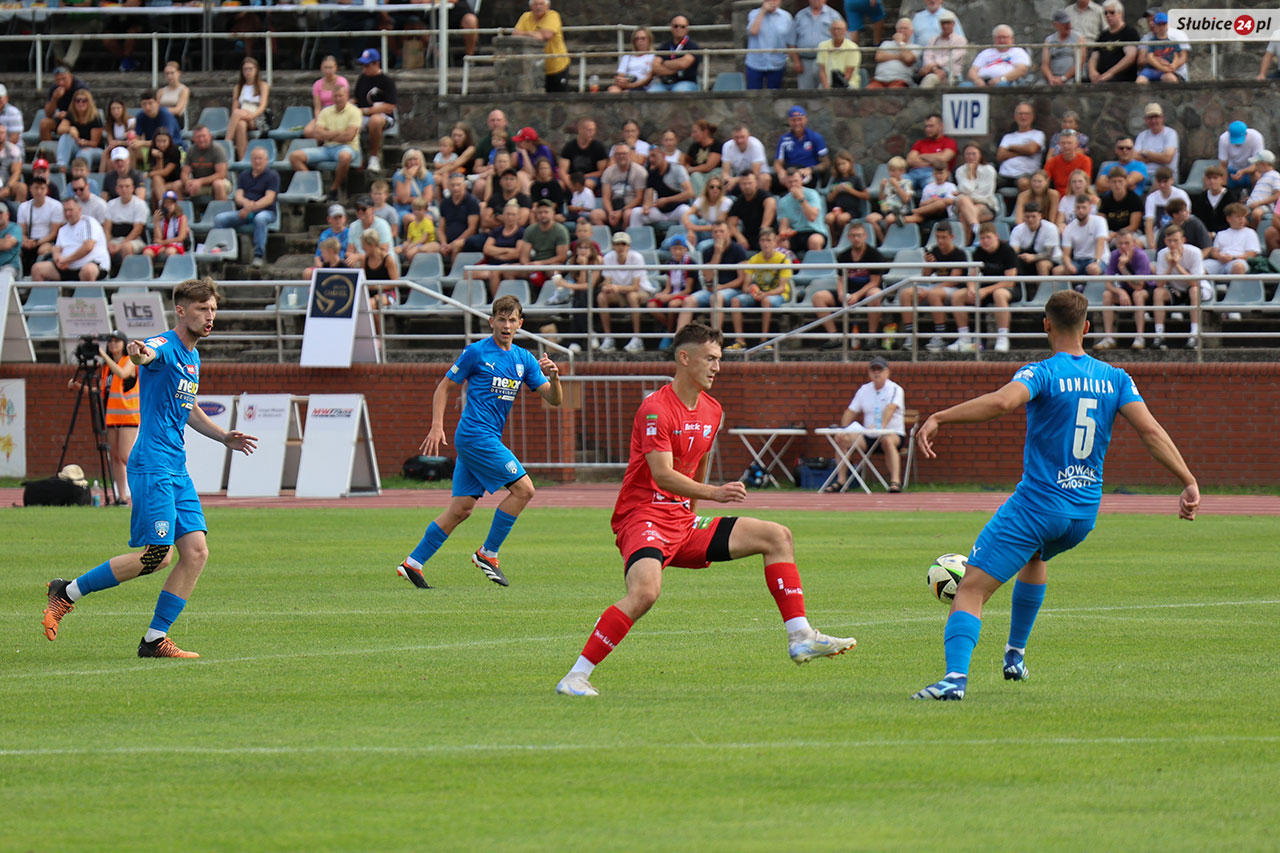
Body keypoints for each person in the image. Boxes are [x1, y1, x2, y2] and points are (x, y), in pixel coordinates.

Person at [911, 288, 1199, 701]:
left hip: (1038, 506)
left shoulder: (1040, 373)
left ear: (1046, 325)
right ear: (1087, 327)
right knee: (1036, 555)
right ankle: (1015, 655)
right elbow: (1151, 432)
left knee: (972, 587)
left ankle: (953, 680)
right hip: (1082, 515)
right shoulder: (1117, 378)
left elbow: (1000, 403)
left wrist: (939, 416)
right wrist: (1188, 479)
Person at [554, 321, 856, 697]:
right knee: (646, 592)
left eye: (720, 359)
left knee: (777, 536)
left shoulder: (713, 410)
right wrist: (715, 493)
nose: (717, 367)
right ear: (684, 358)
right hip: (643, 517)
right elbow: (663, 475)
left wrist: (693, 510)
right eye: (710, 358)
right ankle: (576, 676)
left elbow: (695, 468)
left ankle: (800, 636)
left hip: (683, 520)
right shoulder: (655, 408)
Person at [42, 278, 259, 659]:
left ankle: (154, 639)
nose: (209, 317)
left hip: (176, 465)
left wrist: (224, 436)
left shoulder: (193, 357)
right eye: (201, 310)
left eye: (212, 310)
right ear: (180, 311)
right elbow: (145, 354)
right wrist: (136, 351)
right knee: (155, 555)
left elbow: (189, 409)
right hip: (153, 464)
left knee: (195, 552)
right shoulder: (165, 345)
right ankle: (66, 591)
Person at [396, 295, 561, 588]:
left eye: (512, 320)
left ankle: (413, 563)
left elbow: (554, 399)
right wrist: (437, 426)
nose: (506, 325)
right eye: (501, 319)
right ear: (491, 322)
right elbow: (444, 387)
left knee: (461, 509)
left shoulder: (523, 358)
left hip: (484, 439)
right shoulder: (476, 352)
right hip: (475, 436)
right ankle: (488, 553)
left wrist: (555, 378)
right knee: (524, 490)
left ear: (520, 324)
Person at [67, 330, 137, 505]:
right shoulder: (106, 368)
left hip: (129, 416)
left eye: (117, 341)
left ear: (124, 343)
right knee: (114, 457)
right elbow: (100, 391)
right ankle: (121, 496)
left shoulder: (129, 361)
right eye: (110, 342)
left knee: (125, 456)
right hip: (111, 417)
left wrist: (103, 355)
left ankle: (141, 492)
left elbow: (122, 374)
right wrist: (78, 387)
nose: (113, 344)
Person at [829, 355, 905, 492]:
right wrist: (843, 429)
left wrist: (880, 427)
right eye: (874, 369)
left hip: (892, 434)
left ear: (887, 372)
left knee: (887, 440)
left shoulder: (895, 389)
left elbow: (891, 408)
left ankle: (895, 481)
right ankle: (841, 481)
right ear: (869, 372)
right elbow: (850, 412)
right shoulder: (864, 389)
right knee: (842, 440)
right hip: (868, 436)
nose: (877, 372)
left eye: (880, 369)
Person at [949, 222, 1019, 353]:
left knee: (999, 294)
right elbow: (972, 275)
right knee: (957, 296)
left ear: (996, 236)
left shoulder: (1007, 250)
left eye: (988, 237)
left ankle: (1003, 337)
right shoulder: (978, 252)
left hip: (1009, 289)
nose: (985, 241)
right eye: (982, 238)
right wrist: (971, 288)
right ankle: (964, 337)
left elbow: (1010, 281)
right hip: (985, 290)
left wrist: (985, 290)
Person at [814, 221, 884, 350]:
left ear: (865, 236)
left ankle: (871, 337)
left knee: (874, 294)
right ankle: (835, 337)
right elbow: (840, 279)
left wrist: (857, 295)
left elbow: (875, 281)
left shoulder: (874, 254)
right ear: (848, 237)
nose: (856, 239)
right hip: (849, 291)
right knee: (819, 297)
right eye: (853, 236)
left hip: (866, 292)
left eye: (859, 235)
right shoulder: (843, 256)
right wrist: (841, 293)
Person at [901, 220, 968, 351]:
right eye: (938, 237)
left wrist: (930, 290)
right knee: (906, 293)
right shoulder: (935, 251)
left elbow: (954, 280)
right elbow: (926, 276)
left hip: (955, 291)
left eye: (944, 237)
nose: (940, 241)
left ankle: (940, 336)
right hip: (937, 288)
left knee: (933, 293)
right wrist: (928, 264)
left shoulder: (959, 254)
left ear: (951, 237)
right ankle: (910, 336)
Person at [290, 85, 362, 203]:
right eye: (335, 96)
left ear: (347, 96)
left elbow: (349, 136)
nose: (338, 99)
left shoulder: (355, 111)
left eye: (341, 96)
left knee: (345, 156)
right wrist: (338, 133)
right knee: (295, 156)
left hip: (348, 147)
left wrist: (327, 134)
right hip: (327, 147)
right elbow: (317, 134)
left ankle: (334, 189)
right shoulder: (326, 111)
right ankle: (313, 185)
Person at [213, 146, 278, 269]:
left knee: (260, 218)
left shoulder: (272, 176)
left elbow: (269, 198)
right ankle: (224, 250)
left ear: (266, 160)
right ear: (251, 160)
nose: (257, 161)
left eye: (260, 158)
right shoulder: (244, 175)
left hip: (267, 211)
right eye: (255, 158)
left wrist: (249, 208)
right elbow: (238, 196)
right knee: (220, 219)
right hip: (245, 210)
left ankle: (258, 255)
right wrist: (246, 204)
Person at [726, 227, 791, 350]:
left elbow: (782, 288)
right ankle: (739, 340)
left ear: (775, 242)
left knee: (766, 301)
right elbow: (745, 286)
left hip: (778, 295)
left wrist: (766, 294)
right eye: (763, 240)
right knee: (735, 300)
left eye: (769, 240)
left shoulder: (783, 260)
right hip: (758, 293)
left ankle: (764, 340)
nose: (765, 243)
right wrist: (752, 288)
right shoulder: (754, 259)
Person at [1094, 230, 1154, 350]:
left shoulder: (1141, 256)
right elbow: (1108, 283)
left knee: (1138, 294)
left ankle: (1139, 337)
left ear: (1134, 243)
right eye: (1120, 243)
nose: (1123, 246)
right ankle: (1108, 337)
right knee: (1107, 295)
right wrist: (1120, 292)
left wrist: (1122, 268)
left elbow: (1139, 285)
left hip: (1146, 291)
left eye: (1126, 243)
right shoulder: (1115, 255)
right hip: (1126, 290)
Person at [686, 221, 747, 333]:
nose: (718, 234)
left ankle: (715, 337)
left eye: (721, 231)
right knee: (688, 301)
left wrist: (722, 287)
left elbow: (741, 280)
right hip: (712, 289)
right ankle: (680, 339)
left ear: (729, 233)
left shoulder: (738, 250)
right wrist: (717, 254)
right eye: (715, 232)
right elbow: (708, 278)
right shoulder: (708, 251)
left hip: (732, 290)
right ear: (712, 234)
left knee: (716, 298)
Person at [596, 231, 652, 353]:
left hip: (641, 291)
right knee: (602, 296)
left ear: (628, 246)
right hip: (621, 293)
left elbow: (636, 287)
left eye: (623, 244)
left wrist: (617, 288)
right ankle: (608, 337)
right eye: (617, 244)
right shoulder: (608, 258)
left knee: (632, 296)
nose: (620, 247)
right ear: (613, 246)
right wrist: (607, 287)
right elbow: (607, 281)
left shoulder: (637, 258)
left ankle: (637, 338)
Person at [32, 196, 109, 283]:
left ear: (79, 210)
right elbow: (57, 248)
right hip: (68, 268)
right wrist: (57, 259)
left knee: (88, 271)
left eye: (71, 210)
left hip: (94, 265)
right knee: (37, 269)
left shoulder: (88, 222)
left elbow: (88, 246)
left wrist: (66, 259)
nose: (68, 213)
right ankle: (44, 296)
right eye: (65, 210)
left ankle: (87, 296)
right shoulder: (63, 229)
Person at [1152, 224, 1205, 350]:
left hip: (1195, 290)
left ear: (1183, 240)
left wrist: (1177, 265)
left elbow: (1194, 282)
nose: (1172, 244)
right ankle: (1159, 335)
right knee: (1158, 292)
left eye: (1176, 240)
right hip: (1175, 291)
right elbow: (1159, 284)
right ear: (1165, 241)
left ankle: (1194, 335)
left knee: (1194, 290)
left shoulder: (1195, 252)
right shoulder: (1162, 254)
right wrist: (1170, 265)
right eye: (1169, 241)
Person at [646, 234, 698, 349]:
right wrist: (663, 294)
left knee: (673, 304)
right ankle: (672, 327)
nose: (677, 252)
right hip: (674, 293)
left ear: (685, 249)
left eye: (680, 249)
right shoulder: (671, 263)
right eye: (675, 249)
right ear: (671, 250)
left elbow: (688, 289)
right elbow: (668, 287)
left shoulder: (691, 263)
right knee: (651, 304)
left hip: (686, 295)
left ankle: (669, 333)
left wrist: (669, 297)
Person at [352, 48, 397, 173]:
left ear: (376, 64)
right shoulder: (362, 79)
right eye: (362, 65)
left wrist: (366, 111)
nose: (364, 68)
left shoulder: (387, 81)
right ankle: (355, 156)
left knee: (375, 120)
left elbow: (390, 106)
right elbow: (356, 98)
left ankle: (374, 157)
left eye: (367, 65)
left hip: (383, 116)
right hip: (363, 114)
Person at [512, 0, 570, 93]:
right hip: (535, 69)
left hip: (556, 67)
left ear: (547, 6)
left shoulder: (553, 15)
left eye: (541, 4)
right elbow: (515, 34)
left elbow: (546, 35)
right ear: (531, 7)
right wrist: (531, 33)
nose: (538, 7)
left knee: (558, 98)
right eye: (535, 4)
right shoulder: (525, 16)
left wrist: (525, 34)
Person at [631, 146, 694, 229]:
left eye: (654, 156)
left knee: (685, 211)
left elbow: (690, 193)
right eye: (650, 156)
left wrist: (667, 200)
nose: (651, 160)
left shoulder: (677, 169)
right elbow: (649, 195)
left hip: (677, 209)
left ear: (663, 155)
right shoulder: (652, 172)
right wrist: (646, 207)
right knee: (636, 213)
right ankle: (635, 241)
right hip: (660, 211)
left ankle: (687, 241)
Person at [1053, 193, 1109, 285]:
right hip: (1078, 261)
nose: (1080, 211)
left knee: (1093, 269)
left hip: (1098, 259)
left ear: (1089, 209)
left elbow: (1101, 243)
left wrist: (1096, 262)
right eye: (1078, 208)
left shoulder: (1099, 221)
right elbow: (1066, 254)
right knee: (1057, 271)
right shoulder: (1069, 228)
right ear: (1074, 209)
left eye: (1083, 208)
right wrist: (1068, 265)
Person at [516, 198, 569, 291]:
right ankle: (512, 300)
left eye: (546, 212)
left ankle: (556, 297)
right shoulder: (530, 230)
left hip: (551, 264)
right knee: (509, 271)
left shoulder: (561, 230)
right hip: (534, 264)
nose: (543, 215)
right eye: (540, 212)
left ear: (553, 213)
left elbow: (561, 257)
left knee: (554, 272)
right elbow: (524, 255)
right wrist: (527, 265)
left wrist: (540, 264)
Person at [790, 0, 844, 90]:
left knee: (825, 94)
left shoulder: (834, 15)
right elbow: (792, 41)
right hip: (804, 62)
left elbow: (842, 39)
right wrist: (796, 61)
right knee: (805, 94)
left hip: (826, 61)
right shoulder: (800, 16)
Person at [773, 106, 830, 188]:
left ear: (805, 119)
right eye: (793, 120)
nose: (797, 123)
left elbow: (826, 163)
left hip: (807, 174)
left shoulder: (815, 137)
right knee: (766, 179)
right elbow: (778, 162)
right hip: (790, 172)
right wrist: (781, 171)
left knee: (798, 181)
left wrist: (811, 169)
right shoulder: (784, 139)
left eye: (800, 119)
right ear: (789, 121)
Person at [775, 168, 828, 253]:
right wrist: (784, 233)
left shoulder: (812, 194)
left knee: (814, 241)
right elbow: (783, 226)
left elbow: (812, 217)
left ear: (801, 180)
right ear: (785, 183)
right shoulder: (783, 201)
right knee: (780, 244)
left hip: (814, 231)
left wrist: (801, 199)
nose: (793, 184)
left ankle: (817, 265)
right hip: (795, 233)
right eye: (790, 182)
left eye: (796, 181)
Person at [953, 143, 1000, 241]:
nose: (970, 157)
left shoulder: (989, 170)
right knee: (963, 200)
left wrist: (964, 194)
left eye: (974, 154)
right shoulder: (960, 171)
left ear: (980, 155)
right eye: (968, 154)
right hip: (967, 205)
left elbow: (984, 195)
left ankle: (966, 245)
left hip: (987, 205)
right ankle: (976, 228)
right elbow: (967, 189)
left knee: (963, 209)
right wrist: (970, 175)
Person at [996, 102, 1045, 193]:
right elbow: (1000, 155)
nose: (1023, 117)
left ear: (1032, 116)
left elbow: (1031, 149)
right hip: (1004, 175)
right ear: (1015, 116)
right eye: (1020, 114)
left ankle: (1025, 207)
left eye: (1026, 114)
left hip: (1026, 174)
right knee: (987, 180)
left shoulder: (1038, 134)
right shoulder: (1008, 137)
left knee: (1024, 183)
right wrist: (1024, 151)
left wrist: (1010, 147)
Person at [130, 90, 182, 174]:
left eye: (150, 103)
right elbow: (137, 136)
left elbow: (166, 142)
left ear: (157, 103)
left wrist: (141, 143)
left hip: (171, 148)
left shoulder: (166, 116)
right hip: (152, 147)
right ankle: (132, 176)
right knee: (132, 148)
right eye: (144, 104)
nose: (147, 107)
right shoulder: (140, 116)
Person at [745, 0, 793, 90]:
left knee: (775, 94)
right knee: (753, 94)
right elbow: (753, 31)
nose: (772, 2)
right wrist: (762, 12)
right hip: (755, 62)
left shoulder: (786, 16)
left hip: (777, 62)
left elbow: (790, 39)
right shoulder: (754, 14)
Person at [597, 143, 647, 230]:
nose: (621, 156)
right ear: (614, 157)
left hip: (630, 206)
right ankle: (607, 238)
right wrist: (610, 212)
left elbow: (639, 197)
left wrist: (622, 211)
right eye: (618, 154)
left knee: (628, 215)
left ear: (630, 155)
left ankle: (624, 239)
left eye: (624, 153)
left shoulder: (640, 172)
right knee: (595, 214)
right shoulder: (608, 172)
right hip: (613, 206)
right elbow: (606, 197)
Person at [18, 178, 63, 273]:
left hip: (47, 240)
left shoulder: (56, 206)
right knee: (17, 248)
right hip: (29, 239)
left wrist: (37, 243)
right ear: (31, 189)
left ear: (46, 189)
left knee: (43, 250)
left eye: (42, 188)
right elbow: (21, 231)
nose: (39, 191)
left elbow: (54, 233)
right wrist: (26, 241)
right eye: (36, 188)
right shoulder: (23, 207)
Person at [1089, 0, 1140, 84]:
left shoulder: (1130, 32)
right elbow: (1094, 56)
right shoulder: (1103, 35)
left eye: (1112, 12)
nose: (1108, 15)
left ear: (1120, 13)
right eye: (1105, 13)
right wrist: (1092, 72)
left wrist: (1110, 73)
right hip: (1102, 76)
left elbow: (1130, 57)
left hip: (1122, 77)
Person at [1202, 202, 1257, 279]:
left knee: (1238, 266)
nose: (1241, 219)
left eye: (1243, 216)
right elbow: (1214, 252)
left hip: (1238, 260)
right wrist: (1220, 257)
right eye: (1238, 217)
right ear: (1228, 219)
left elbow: (1252, 254)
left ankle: (1236, 290)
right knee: (1200, 267)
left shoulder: (1250, 233)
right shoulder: (1221, 233)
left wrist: (1233, 258)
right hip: (1220, 261)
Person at [54, 89, 103, 173]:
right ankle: (61, 167)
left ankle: (83, 178)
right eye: (78, 100)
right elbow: (60, 129)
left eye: (84, 100)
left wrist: (85, 143)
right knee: (65, 136)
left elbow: (95, 143)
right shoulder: (71, 114)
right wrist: (70, 129)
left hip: (94, 149)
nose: (81, 103)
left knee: (83, 153)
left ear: (89, 102)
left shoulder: (95, 118)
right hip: (78, 145)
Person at [649, 14, 701, 92]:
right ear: (671, 28)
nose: (679, 29)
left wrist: (663, 63)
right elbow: (655, 67)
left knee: (678, 90)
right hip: (665, 83)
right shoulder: (664, 46)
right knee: (652, 92)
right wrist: (677, 69)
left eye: (682, 26)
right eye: (676, 26)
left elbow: (683, 64)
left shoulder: (693, 46)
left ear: (687, 29)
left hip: (687, 82)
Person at [1009, 202, 1061, 280]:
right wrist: (1020, 256)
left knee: (1042, 264)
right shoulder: (1017, 230)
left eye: (1033, 216)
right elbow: (1013, 250)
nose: (1030, 220)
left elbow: (1048, 254)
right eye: (1027, 216)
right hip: (1027, 259)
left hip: (1052, 261)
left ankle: (1043, 291)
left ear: (1040, 216)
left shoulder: (1051, 228)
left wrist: (1033, 257)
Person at [905, 113, 957, 191]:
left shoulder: (949, 142)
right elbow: (909, 161)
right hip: (913, 173)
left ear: (941, 126)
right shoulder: (920, 143)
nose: (928, 129)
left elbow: (943, 159)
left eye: (931, 126)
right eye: (926, 126)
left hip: (934, 173)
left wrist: (922, 155)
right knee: (899, 183)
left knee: (933, 188)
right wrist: (934, 161)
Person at [682, 175, 733, 255]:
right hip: (705, 231)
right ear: (707, 189)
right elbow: (686, 214)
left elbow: (718, 226)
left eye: (718, 187)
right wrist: (690, 230)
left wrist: (694, 228)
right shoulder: (702, 200)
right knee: (691, 217)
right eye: (712, 187)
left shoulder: (726, 202)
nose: (715, 189)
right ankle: (688, 246)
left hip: (718, 234)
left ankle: (692, 256)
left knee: (701, 246)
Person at [726, 171, 776, 252]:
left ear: (756, 183)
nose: (747, 186)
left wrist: (762, 232)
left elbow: (771, 204)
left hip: (766, 234)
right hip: (748, 235)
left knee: (765, 240)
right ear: (740, 185)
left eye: (750, 183)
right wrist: (740, 237)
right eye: (744, 184)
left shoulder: (764, 196)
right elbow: (731, 224)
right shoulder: (739, 200)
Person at [967, 24, 1032, 86]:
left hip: (1007, 81)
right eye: (999, 37)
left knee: (1000, 85)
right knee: (964, 85)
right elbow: (972, 71)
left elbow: (1021, 70)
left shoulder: (1018, 52)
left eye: (1005, 37)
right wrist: (977, 80)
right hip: (982, 81)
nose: (1002, 40)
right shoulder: (985, 53)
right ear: (994, 39)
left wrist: (1001, 79)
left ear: (1012, 39)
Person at [865, 157, 912, 242]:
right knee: (870, 218)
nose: (891, 173)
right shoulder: (887, 183)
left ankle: (888, 241)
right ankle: (883, 240)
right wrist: (882, 188)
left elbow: (906, 199)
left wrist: (896, 186)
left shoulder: (907, 183)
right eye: (889, 171)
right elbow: (881, 201)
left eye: (893, 171)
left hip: (900, 211)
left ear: (901, 171)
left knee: (889, 219)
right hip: (886, 210)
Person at [104, 174, 149, 263]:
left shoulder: (140, 205)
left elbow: (137, 230)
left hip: (135, 240)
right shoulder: (110, 204)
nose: (124, 189)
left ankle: (127, 275)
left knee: (126, 247)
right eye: (121, 186)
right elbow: (107, 228)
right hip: (115, 239)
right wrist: (108, 244)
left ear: (132, 188)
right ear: (116, 189)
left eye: (127, 186)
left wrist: (120, 246)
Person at [181, 125, 231, 204]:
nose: (201, 139)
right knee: (177, 185)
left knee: (218, 184)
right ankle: (181, 214)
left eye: (204, 136)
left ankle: (221, 213)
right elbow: (184, 172)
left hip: (219, 182)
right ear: (193, 139)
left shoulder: (217, 149)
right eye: (198, 137)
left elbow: (221, 174)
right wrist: (187, 182)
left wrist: (200, 181)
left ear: (210, 136)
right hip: (199, 184)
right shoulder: (191, 150)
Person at [917, 9, 967, 88]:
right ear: (940, 24)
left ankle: (920, 99)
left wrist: (933, 65)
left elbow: (952, 58)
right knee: (930, 78)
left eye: (948, 23)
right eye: (943, 23)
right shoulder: (933, 40)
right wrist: (934, 69)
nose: (945, 26)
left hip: (952, 75)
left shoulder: (960, 40)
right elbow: (927, 57)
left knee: (930, 79)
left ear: (953, 24)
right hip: (933, 72)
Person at [1142, 166, 1191, 246]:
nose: (1162, 185)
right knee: (1137, 243)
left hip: (1178, 233)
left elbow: (1186, 217)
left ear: (1172, 180)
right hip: (1158, 233)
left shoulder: (1181, 195)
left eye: (1165, 181)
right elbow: (1149, 223)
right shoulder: (1151, 198)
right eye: (1159, 182)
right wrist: (1152, 244)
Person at [1137, 11, 1189, 84]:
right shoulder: (1150, 40)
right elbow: (1148, 58)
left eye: (1163, 24)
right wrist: (1162, 67)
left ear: (1167, 25)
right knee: (1140, 81)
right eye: (1159, 25)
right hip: (1152, 70)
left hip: (1168, 71)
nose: (1161, 27)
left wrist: (1173, 65)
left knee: (1171, 79)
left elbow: (1178, 56)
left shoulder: (1174, 39)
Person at [438, 174, 481, 261]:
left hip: (465, 240)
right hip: (447, 241)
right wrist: (443, 244)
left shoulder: (471, 202)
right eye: (452, 185)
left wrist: (452, 244)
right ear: (449, 186)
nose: (455, 188)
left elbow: (472, 229)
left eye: (458, 185)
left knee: (456, 246)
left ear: (464, 185)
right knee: (426, 249)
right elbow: (440, 228)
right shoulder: (445, 202)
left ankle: (454, 273)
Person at [558, 118, 609, 191]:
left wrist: (583, 177)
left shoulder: (598, 147)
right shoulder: (569, 146)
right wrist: (570, 184)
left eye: (594, 130)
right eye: (589, 130)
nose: (592, 132)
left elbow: (602, 171)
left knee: (587, 184)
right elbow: (562, 170)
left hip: (590, 177)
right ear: (580, 130)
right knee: (559, 184)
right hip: (572, 178)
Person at [824, 151, 868, 234]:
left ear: (850, 163)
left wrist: (850, 191)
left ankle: (842, 237)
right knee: (828, 218)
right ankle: (833, 240)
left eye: (843, 164)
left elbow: (866, 196)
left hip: (852, 211)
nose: (841, 167)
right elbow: (829, 199)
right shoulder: (835, 180)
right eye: (839, 165)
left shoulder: (856, 179)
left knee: (841, 219)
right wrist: (836, 191)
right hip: (837, 209)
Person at [1134, 102, 1179, 182]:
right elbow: (1134, 158)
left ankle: (1150, 195)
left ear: (1162, 118)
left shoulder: (1170, 133)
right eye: (1150, 118)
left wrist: (1146, 153)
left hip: (1165, 175)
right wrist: (1159, 157)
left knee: (1158, 180)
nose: (1153, 121)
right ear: (1146, 120)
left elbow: (1167, 158)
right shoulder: (1142, 135)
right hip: (1143, 174)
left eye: (1156, 117)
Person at [39, 67, 87, 143]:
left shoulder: (79, 87)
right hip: (63, 119)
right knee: (45, 124)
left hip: (79, 118)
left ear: (70, 77)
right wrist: (54, 99)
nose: (61, 83)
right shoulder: (55, 89)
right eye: (58, 80)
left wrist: (68, 115)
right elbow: (48, 114)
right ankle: (49, 152)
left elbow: (86, 108)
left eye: (64, 79)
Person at [1099, 166, 1144, 246]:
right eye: (1114, 182)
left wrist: (1115, 234)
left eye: (1120, 181)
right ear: (1109, 182)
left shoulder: (1135, 199)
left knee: (1132, 243)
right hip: (1110, 232)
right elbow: (1100, 221)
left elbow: (1133, 226)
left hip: (1131, 233)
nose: (1117, 185)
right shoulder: (1105, 199)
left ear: (1126, 181)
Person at [868, 18, 918, 89]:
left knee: (893, 93)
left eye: (905, 28)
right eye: (900, 28)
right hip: (879, 79)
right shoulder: (886, 43)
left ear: (911, 32)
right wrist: (899, 57)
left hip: (900, 80)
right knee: (868, 92)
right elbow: (878, 57)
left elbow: (908, 59)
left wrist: (900, 42)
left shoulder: (916, 47)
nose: (902, 31)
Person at [720, 125, 771, 195]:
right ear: (732, 138)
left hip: (756, 177)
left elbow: (755, 173)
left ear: (748, 136)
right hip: (737, 176)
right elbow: (725, 171)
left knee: (765, 178)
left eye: (742, 137)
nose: (739, 140)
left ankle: (762, 199)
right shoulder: (727, 146)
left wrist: (735, 180)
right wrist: (727, 180)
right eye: (736, 137)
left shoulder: (756, 145)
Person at [1218, 121, 1264, 196]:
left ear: (1246, 133)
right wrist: (1223, 186)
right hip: (1231, 170)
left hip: (1250, 170)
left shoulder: (1256, 137)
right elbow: (1223, 165)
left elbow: (1257, 164)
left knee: (1257, 174)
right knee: (1217, 179)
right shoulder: (1223, 139)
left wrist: (1243, 171)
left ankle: (1256, 197)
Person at [816, 16, 863, 89]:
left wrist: (838, 88)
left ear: (845, 31)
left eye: (839, 29)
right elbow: (822, 70)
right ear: (830, 31)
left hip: (848, 83)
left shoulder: (853, 47)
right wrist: (826, 87)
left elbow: (849, 72)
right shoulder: (822, 46)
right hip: (827, 83)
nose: (836, 32)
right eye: (834, 29)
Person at [1042, 129, 1091, 198]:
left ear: (1076, 144)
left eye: (1069, 143)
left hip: (1078, 195)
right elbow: (1044, 181)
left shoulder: (1085, 160)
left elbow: (1086, 184)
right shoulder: (1052, 162)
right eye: (1063, 143)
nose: (1066, 146)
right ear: (1059, 144)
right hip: (1057, 197)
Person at [1042, 9, 1085, 86]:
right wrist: (1050, 78)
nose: (1068, 26)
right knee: (1038, 87)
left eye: (1068, 22)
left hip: (1070, 78)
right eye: (1064, 23)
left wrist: (1063, 78)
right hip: (1052, 78)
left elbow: (1080, 63)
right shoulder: (1049, 40)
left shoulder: (1078, 38)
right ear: (1055, 25)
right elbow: (1044, 65)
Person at [680, 120, 722, 195]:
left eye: (695, 132)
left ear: (705, 132)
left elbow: (708, 167)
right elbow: (687, 160)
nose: (693, 135)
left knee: (696, 176)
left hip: (712, 174)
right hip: (697, 177)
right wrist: (686, 165)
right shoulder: (694, 146)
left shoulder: (717, 145)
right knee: (695, 176)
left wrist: (690, 169)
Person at [609, 27, 656, 93]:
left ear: (649, 40)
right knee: (613, 89)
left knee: (627, 92)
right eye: (637, 39)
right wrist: (621, 81)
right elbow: (621, 74)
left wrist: (631, 85)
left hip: (643, 86)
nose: (640, 41)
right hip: (628, 82)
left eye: (643, 39)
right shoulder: (627, 57)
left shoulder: (653, 57)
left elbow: (649, 78)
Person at [145, 190, 189, 260]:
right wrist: (156, 221)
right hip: (162, 244)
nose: (169, 205)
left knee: (170, 251)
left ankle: (171, 270)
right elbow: (157, 238)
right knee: (147, 252)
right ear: (163, 204)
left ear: (175, 204)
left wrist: (163, 242)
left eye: (171, 203)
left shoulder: (182, 218)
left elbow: (181, 237)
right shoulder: (160, 217)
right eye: (166, 203)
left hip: (175, 244)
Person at [1242, 150, 1280, 226]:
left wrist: (1259, 203)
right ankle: (1248, 230)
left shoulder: (1275, 175)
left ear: (1263, 164)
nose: (1255, 166)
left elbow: (1277, 195)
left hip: (1265, 205)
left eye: (1256, 164)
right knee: (1237, 213)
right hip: (1252, 204)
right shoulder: (1262, 177)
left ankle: (1254, 233)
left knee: (1256, 213)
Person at [1191, 164, 1230, 236]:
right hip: (1205, 235)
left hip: (1226, 234)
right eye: (1209, 178)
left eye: (1215, 178)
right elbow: (1198, 219)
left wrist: (1215, 234)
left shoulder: (1230, 196)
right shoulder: (1201, 197)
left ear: (1221, 179)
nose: (1212, 181)